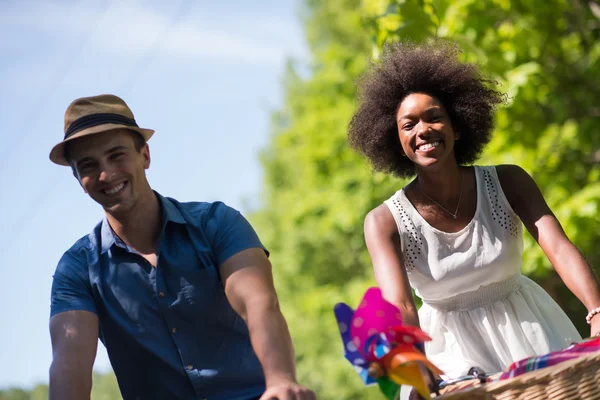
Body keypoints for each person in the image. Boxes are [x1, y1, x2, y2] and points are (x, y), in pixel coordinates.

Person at [346, 39, 600, 382]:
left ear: (458, 126)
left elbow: (557, 247)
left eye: (434, 118)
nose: (423, 130)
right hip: (448, 353)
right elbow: (401, 306)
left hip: (531, 330)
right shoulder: (383, 221)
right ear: (398, 144)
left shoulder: (509, 181)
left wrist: (596, 310)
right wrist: (420, 370)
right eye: (408, 125)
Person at [48, 94, 316, 400]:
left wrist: (280, 379)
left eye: (117, 155)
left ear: (145, 156)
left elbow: (259, 305)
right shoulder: (77, 270)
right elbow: (70, 364)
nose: (106, 174)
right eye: (88, 165)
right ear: (78, 179)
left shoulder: (217, 224)